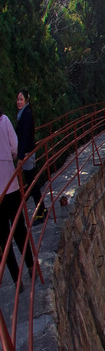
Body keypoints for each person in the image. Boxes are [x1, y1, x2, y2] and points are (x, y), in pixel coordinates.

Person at [0, 111, 34, 283]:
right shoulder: (4, 120)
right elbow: (15, 148)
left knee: (3, 239)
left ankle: (16, 280)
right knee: (19, 229)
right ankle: (31, 266)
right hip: (9, 184)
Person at [14, 90, 46, 223]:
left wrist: (20, 157)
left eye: (21, 99)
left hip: (27, 153)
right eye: (18, 99)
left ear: (26, 100)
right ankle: (42, 210)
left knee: (32, 183)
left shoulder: (26, 114)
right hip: (27, 151)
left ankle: (41, 213)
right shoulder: (24, 113)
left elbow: (25, 136)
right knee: (33, 182)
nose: (19, 102)